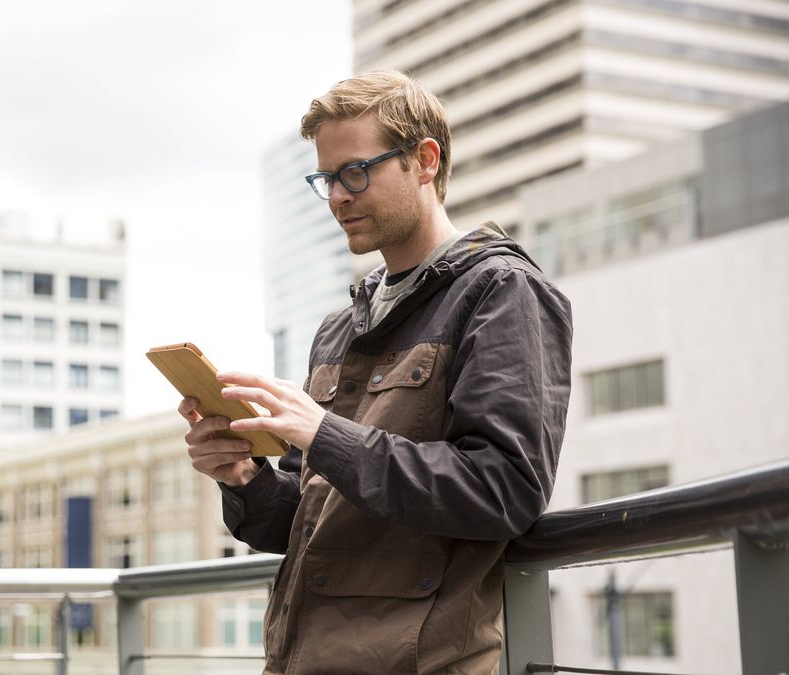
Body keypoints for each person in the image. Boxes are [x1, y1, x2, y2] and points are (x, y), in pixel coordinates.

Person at [178, 70, 573, 674]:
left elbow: (504, 489)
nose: (337, 196)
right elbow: (299, 522)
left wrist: (322, 433)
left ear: (424, 161)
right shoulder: (338, 327)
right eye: (326, 179)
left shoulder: (501, 292)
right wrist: (241, 475)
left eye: (355, 172)